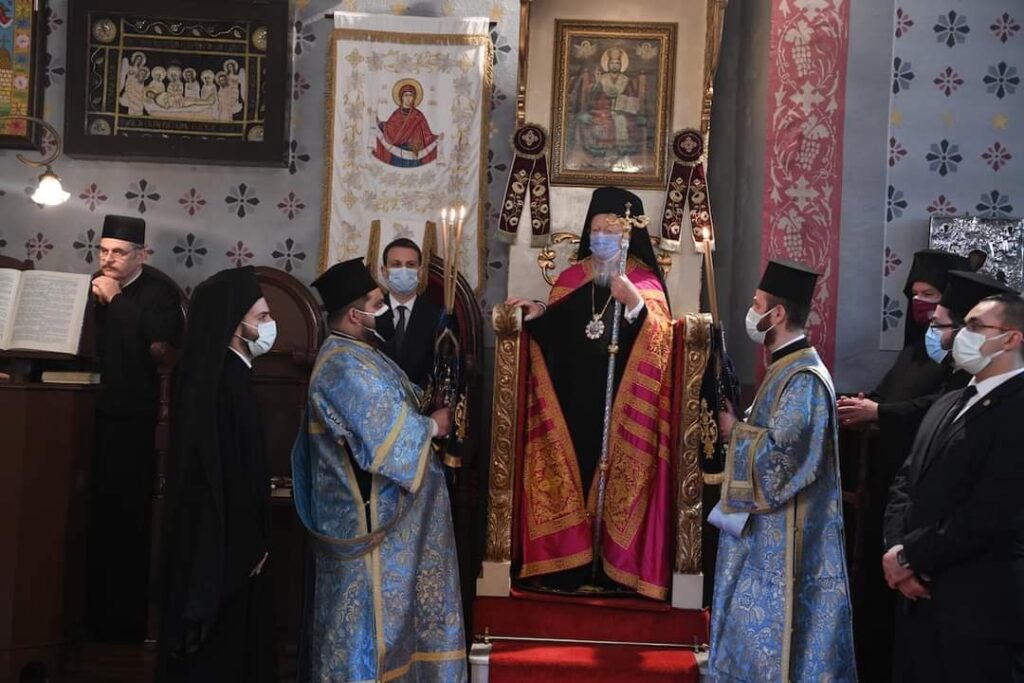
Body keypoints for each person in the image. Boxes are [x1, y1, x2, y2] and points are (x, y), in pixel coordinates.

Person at [291, 258, 466, 682]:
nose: (383, 308)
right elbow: (385, 436)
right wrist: (433, 425)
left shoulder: (361, 353)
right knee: (366, 629)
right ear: (355, 315)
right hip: (367, 525)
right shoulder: (341, 365)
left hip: (389, 520)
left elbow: (398, 401)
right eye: (375, 303)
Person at [505, 186, 675, 599]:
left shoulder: (643, 281)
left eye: (611, 230)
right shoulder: (571, 278)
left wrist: (635, 306)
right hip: (573, 403)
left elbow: (661, 338)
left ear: (628, 234)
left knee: (616, 478)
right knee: (573, 474)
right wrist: (538, 313)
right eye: (596, 229)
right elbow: (559, 329)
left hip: (621, 404)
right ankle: (569, 565)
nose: (601, 237)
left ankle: (614, 568)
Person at [709, 259, 855, 681]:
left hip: (787, 541)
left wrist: (734, 432)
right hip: (765, 536)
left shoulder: (804, 377)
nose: (751, 312)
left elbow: (783, 460)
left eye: (757, 305)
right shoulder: (783, 368)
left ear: (776, 314)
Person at [836, 249, 967, 680]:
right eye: (914, 294)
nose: (919, 305)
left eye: (930, 295)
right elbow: (892, 392)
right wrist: (865, 404)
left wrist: (880, 413)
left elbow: (933, 408)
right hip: (887, 490)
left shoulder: (962, 367)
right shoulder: (915, 349)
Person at [883, 293, 1024, 682]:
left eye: (976, 326)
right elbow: (904, 482)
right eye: (964, 325)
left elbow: (990, 513)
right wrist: (895, 550)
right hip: (916, 602)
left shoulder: (1017, 408)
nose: (963, 334)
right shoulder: (948, 402)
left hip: (977, 610)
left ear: (1012, 338)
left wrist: (911, 556)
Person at [156, 266, 278, 682]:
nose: (269, 325)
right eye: (262, 317)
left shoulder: (227, 374)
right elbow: (227, 471)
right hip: (226, 541)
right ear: (235, 324)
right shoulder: (226, 382)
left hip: (228, 536)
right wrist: (251, 540)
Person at [86, 214, 184, 641]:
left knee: (129, 521)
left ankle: (126, 622)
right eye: (103, 251)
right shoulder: (92, 286)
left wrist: (117, 301)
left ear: (141, 255)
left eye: (119, 253)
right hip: (91, 414)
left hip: (137, 421)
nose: (108, 260)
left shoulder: (160, 292)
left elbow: (161, 342)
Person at [376, 237, 446, 388]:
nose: (403, 270)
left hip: (421, 398)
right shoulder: (371, 313)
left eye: (410, 265)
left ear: (420, 272)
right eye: (396, 264)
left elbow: (442, 369)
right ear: (384, 271)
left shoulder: (437, 316)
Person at [373, 81, 443, 167]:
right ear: (401, 97)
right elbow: (389, 128)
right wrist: (380, 125)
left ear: (414, 98)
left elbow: (427, 135)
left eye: (411, 95)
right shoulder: (396, 114)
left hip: (413, 153)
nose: (408, 98)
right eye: (406, 95)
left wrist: (437, 138)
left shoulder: (418, 115)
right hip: (397, 153)